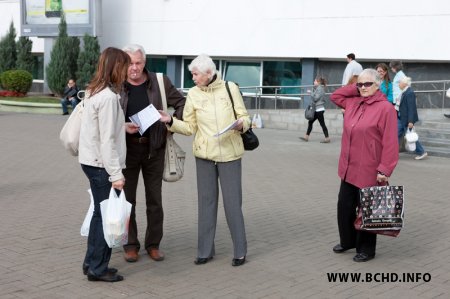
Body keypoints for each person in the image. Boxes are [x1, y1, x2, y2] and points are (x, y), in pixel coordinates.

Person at [159, 54, 250, 267]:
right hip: (204, 156)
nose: (193, 78)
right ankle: (205, 251)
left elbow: (245, 117)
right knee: (206, 204)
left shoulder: (230, 88)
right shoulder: (193, 95)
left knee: (232, 205)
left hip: (230, 155)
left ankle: (240, 251)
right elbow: (189, 127)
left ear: (209, 73)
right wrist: (170, 120)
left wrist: (241, 124)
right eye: (192, 74)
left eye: (195, 74)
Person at [119, 44, 186, 263]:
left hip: (154, 148)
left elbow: (182, 103)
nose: (134, 68)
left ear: (144, 62)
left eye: (138, 63)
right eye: (130, 63)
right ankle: (130, 244)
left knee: (154, 200)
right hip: (127, 150)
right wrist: (122, 126)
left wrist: (170, 121)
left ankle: (153, 244)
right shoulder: (116, 84)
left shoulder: (159, 81)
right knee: (127, 200)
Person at [78, 47, 139, 282]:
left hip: (91, 161)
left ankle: (91, 262)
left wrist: (121, 127)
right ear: (116, 67)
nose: (127, 70)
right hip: (102, 165)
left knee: (98, 214)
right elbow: (106, 141)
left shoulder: (94, 91)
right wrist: (116, 174)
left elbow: (100, 129)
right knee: (106, 216)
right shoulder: (108, 98)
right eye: (125, 65)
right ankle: (97, 268)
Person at [330, 69, 399, 262]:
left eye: (368, 84)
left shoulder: (385, 108)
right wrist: (357, 85)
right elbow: (336, 96)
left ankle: (367, 249)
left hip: (370, 169)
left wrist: (385, 169)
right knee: (344, 207)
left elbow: (390, 142)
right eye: (360, 84)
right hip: (348, 167)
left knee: (368, 210)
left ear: (378, 85)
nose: (362, 88)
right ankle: (348, 241)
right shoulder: (353, 102)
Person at [397, 76, 428, 160]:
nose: (398, 84)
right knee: (395, 135)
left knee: (410, 136)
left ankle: (422, 152)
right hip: (401, 118)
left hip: (406, 120)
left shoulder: (409, 93)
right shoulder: (404, 91)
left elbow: (411, 108)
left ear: (404, 83)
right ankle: (392, 153)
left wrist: (410, 121)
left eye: (399, 82)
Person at [300, 76, 330, 143]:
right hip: (317, 109)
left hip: (319, 109)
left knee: (322, 124)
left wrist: (311, 92)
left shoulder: (320, 89)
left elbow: (316, 98)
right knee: (310, 122)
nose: (314, 82)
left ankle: (327, 138)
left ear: (318, 82)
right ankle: (306, 137)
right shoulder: (318, 88)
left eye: (315, 81)